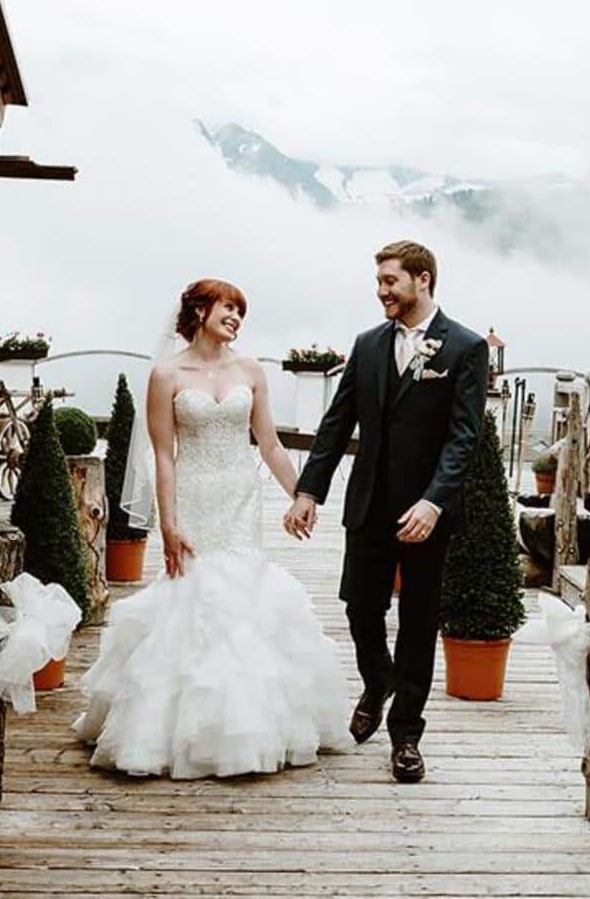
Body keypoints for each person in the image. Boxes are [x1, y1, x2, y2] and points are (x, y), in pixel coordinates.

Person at [73, 279, 350, 778]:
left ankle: (253, 725)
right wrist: (169, 524)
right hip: (195, 497)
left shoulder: (250, 371)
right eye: (228, 308)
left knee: (242, 599)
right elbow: (163, 454)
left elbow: (269, 444)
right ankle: (177, 730)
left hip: (241, 500)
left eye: (240, 311)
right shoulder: (166, 374)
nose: (236, 318)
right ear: (199, 310)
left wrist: (301, 495)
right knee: (192, 600)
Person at [285, 241, 489, 783]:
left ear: (421, 281)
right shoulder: (367, 345)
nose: (381, 291)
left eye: (390, 281)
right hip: (369, 504)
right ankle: (378, 681)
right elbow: (336, 424)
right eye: (378, 282)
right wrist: (308, 491)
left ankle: (405, 736)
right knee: (359, 608)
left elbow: (464, 437)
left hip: (428, 511)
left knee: (419, 623)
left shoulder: (465, 348)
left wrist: (434, 501)